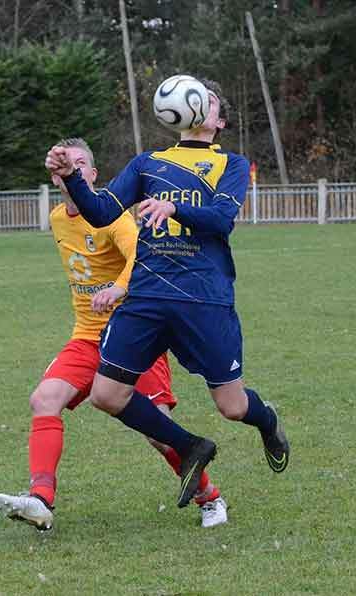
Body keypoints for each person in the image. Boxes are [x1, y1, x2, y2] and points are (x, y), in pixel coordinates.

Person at [44, 79, 289, 509]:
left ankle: (267, 420)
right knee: (106, 394)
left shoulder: (230, 164)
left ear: (219, 120)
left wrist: (175, 208)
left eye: (210, 98)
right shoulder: (148, 164)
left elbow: (220, 220)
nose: (198, 98)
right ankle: (190, 446)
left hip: (204, 298)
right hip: (147, 296)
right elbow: (102, 212)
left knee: (231, 406)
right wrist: (72, 180)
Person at [0, 138, 228, 530]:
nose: (73, 170)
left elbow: (143, 255)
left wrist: (120, 288)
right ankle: (40, 500)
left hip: (136, 335)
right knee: (44, 399)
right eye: (65, 164)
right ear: (55, 176)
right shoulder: (57, 218)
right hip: (88, 337)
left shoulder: (113, 216)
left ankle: (210, 498)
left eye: (81, 163)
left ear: (94, 173)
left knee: (159, 433)